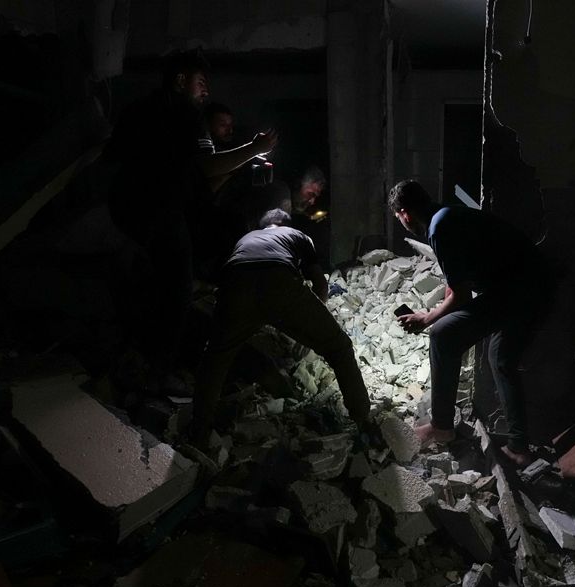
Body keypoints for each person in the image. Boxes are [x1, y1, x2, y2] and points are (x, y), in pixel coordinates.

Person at [104, 51, 278, 383]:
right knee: (176, 289)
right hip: (160, 211)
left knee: (147, 283)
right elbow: (205, 167)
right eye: (201, 83)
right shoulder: (185, 115)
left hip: (125, 210)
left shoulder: (139, 109)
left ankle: (134, 356)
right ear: (181, 81)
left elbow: (113, 155)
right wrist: (255, 148)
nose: (205, 92)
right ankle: (158, 369)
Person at [387, 179, 549, 466]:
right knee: (500, 358)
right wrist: (438, 309)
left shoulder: (439, 228)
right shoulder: (447, 216)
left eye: (398, 217)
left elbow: (460, 296)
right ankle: (519, 448)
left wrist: (427, 318)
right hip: (525, 286)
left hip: (517, 290)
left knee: (441, 334)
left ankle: (441, 427)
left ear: (405, 214)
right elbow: (455, 283)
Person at [188, 209, 373, 445]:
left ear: (262, 225)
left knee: (216, 357)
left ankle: (199, 430)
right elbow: (320, 284)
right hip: (279, 279)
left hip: (235, 284)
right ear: (285, 223)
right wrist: (312, 326)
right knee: (339, 348)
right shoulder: (296, 234)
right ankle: (363, 421)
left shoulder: (246, 238)